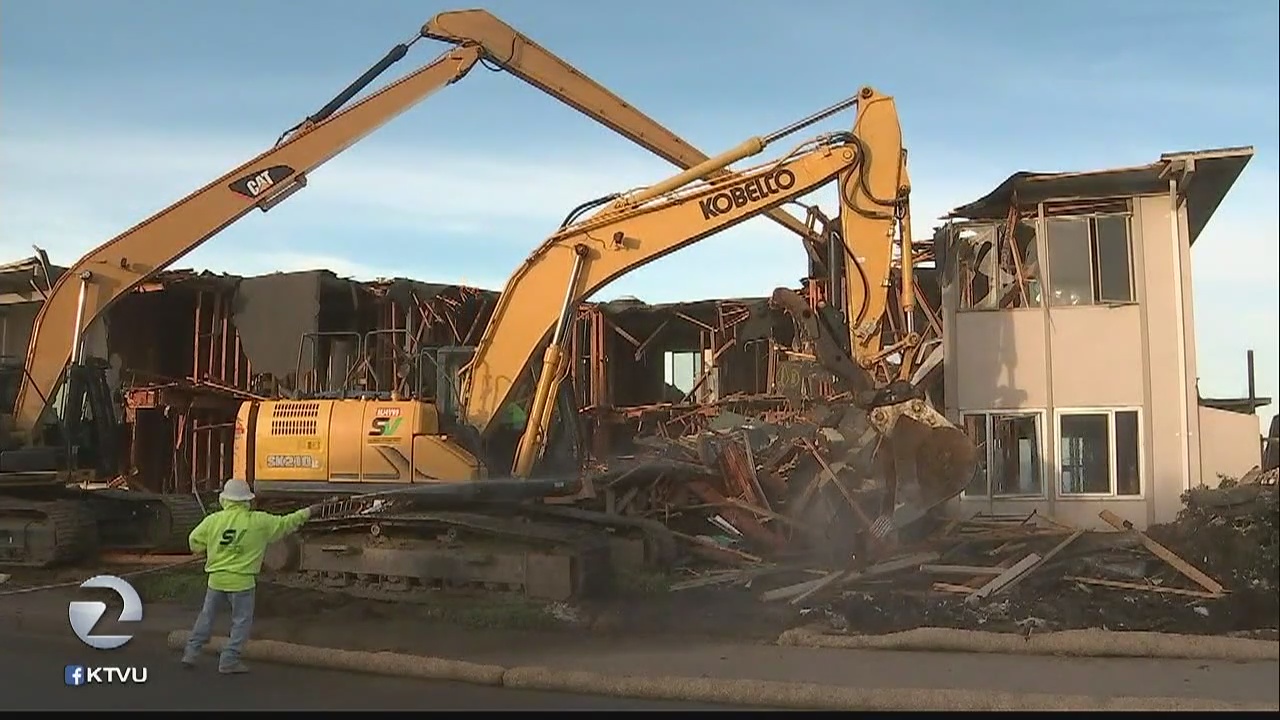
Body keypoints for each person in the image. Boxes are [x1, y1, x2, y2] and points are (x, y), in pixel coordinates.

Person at [181, 478, 317, 674]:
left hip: (216, 580)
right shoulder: (259, 521)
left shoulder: (213, 520)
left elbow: (194, 541)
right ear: (247, 501)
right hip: (242, 583)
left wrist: (203, 550)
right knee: (241, 622)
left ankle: (191, 653)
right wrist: (309, 511)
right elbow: (287, 522)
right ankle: (229, 660)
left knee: (206, 617)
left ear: (224, 500)